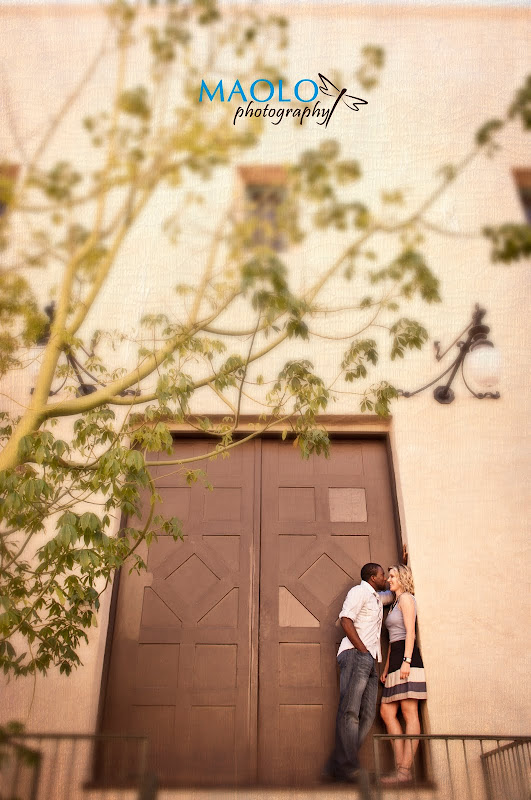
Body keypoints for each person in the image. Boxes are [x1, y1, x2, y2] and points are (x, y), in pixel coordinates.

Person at [325, 562, 394, 783]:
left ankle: (339, 764)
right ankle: (346, 766)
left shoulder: (375, 597)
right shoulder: (359, 592)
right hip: (356, 655)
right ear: (373, 577)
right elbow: (346, 619)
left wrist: (407, 565)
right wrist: (362, 651)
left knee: (367, 714)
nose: (385, 578)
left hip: (370, 660)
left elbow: (393, 594)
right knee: (350, 711)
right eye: (383, 575)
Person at [379, 564, 427, 785]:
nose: (388, 579)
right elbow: (391, 641)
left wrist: (407, 660)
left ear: (403, 578)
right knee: (387, 712)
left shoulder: (407, 599)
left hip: (407, 658)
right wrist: (388, 667)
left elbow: (410, 632)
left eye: (392, 576)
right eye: (388, 576)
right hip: (396, 657)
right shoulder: (394, 602)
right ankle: (402, 769)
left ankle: (403, 771)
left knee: (409, 712)